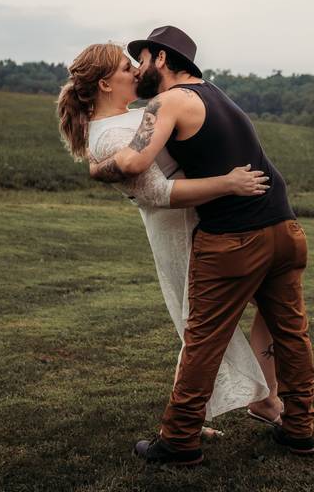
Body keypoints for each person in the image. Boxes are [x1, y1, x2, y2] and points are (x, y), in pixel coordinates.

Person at [86, 26, 314, 465]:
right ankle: (299, 429)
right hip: (285, 230)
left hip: (234, 238)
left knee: (204, 339)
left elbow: (133, 163)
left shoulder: (168, 101)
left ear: (163, 60)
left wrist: (96, 168)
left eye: (144, 59)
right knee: (292, 333)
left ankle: (179, 439)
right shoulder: (217, 94)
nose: (139, 69)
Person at [55, 43, 286, 434]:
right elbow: (160, 195)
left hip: (218, 220)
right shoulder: (109, 136)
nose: (135, 72)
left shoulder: (132, 118)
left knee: (245, 311)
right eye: (126, 68)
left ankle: (264, 398)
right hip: (180, 230)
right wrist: (228, 183)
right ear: (106, 83)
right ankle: (201, 418)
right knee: (200, 326)